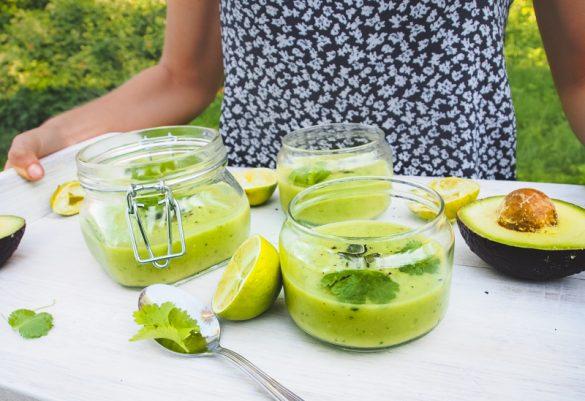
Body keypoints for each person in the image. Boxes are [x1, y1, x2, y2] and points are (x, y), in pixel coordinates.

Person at [5, 0, 585, 181]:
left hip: (452, 230)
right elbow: (184, 76)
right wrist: (58, 135)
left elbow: (581, 78)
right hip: (266, 233)